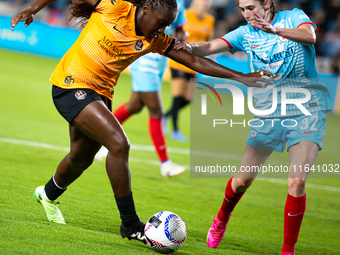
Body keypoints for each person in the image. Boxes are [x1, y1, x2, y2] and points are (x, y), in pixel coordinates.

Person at [11, 0, 272, 244]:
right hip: (71, 83)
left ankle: (47, 195)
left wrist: (241, 76)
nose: (163, 29)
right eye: (160, 22)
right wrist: (32, 9)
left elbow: (193, 60)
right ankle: (130, 225)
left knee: (81, 157)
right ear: (145, 9)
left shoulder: (154, 39)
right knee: (119, 144)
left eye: (167, 25)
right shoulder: (115, 8)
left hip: (100, 93)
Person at [174, 0, 332, 254]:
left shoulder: (293, 17)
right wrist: (189, 46)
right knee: (242, 180)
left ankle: (287, 250)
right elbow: (210, 46)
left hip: (307, 110)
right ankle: (221, 219)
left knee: (296, 182)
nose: (247, 14)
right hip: (269, 113)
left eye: (251, 7)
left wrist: (275, 31)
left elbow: (310, 36)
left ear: (267, 3)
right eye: (243, 9)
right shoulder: (244, 34)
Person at [94, 0, 188, 178]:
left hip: (160, 62)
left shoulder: (179, 4)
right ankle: (165, 164)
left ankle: (99, 139)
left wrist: (182, 37)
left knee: (134, 106)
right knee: (157, 111)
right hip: (145, 60)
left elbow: (180, 28)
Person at [164, 0, 215, 142]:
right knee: (177, 97)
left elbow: (208, 42)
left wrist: (212, 59)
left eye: (207, 2)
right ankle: (175, 130)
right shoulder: (185, 15)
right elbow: (176, 32)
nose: (204, 4)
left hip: (194, 64)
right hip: (179, 62)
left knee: (189, 99)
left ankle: (165, 115)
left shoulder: (210, 20)